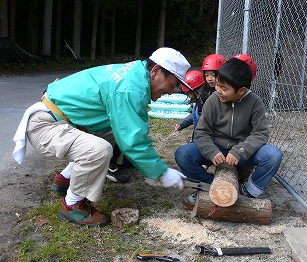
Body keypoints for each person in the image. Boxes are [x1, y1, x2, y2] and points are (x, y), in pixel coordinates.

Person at [12, 47, 190, 227]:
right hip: (46, 126)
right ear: (156, 71)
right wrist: (160, 171)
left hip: (62, 120)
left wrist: (154, 168)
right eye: (173, 83)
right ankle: (72, 204)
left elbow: (134, 128)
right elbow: (133, 141)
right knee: (99, 149)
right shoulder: (130, 88)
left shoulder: (136, 75)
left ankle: (66, 178)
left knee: (116, 130)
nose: (171, 91)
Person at [175, 55, 282, 207]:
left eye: (224, 88)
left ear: (241, 90)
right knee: (183, 154)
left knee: (273, 155)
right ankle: (208, 186)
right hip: (217, 148)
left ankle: (249, 192)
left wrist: (240, 150)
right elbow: (201, 132)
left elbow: (260, 133)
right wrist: (211, 151)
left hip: (242, 152)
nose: (218, 90)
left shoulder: (255, 102)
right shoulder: (213, 100)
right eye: (217, 85)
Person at [174, 70, 205, 134]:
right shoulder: (196, 103)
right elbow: (194, 115)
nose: (190, 96)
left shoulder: (206, 103)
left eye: (190, 93)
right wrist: (182, 123)